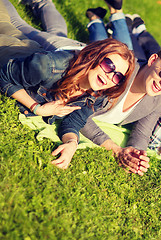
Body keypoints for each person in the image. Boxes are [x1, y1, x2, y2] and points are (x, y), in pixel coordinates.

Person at [6, 0, 161, 173]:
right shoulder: (116, 76)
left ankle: (43, 3)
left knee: (55, 32)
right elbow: (80, 112)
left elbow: (143, 132)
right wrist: (113, 147)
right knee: (19, 27)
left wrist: (135, 154)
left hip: (74, 58)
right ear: (153, 59)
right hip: (73, 57)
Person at [0, 1, 135, 169]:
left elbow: (74, 121)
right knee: (6, 22)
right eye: (109, 66)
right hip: (8, 49)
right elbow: (4, 75)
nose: (109, 76)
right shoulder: (49, 67)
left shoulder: (97, 96)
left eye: (117, 77)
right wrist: (37, 108)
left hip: (30, 54)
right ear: (95, 56)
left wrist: (72, 143)